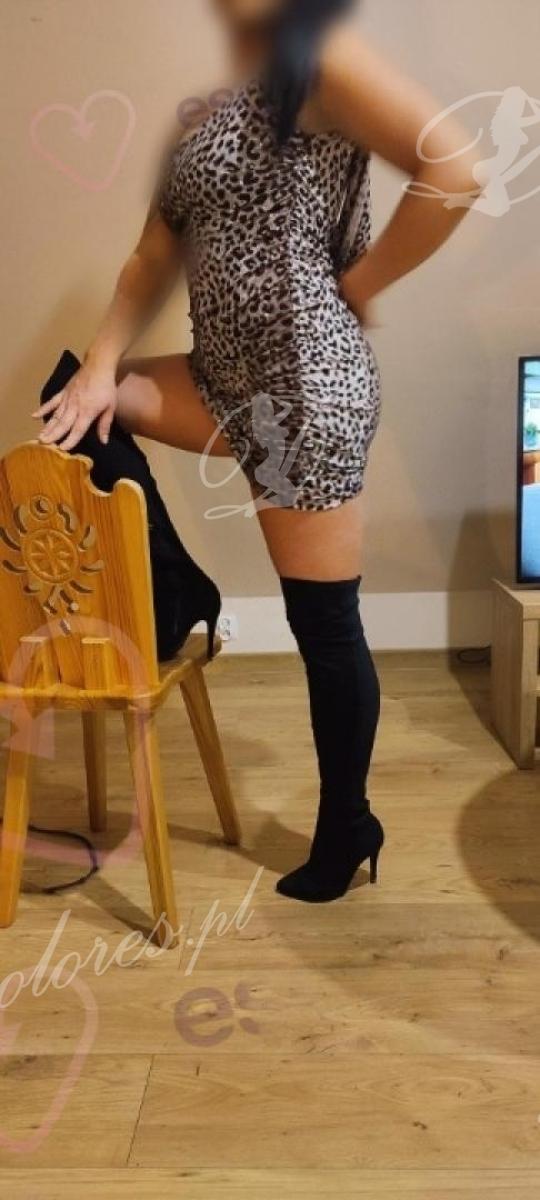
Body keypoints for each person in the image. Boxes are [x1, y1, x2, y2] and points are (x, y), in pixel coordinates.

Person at [34, 0, 479, 902]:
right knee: (74, 408)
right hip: (222, 379)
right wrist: (102, 366)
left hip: (296, 395)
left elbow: (455, 170)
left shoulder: (320, 61)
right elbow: (148, 260)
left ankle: (348, 825)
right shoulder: (207, 114)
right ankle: (179, 594)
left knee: (323, 623)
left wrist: (361, 284)